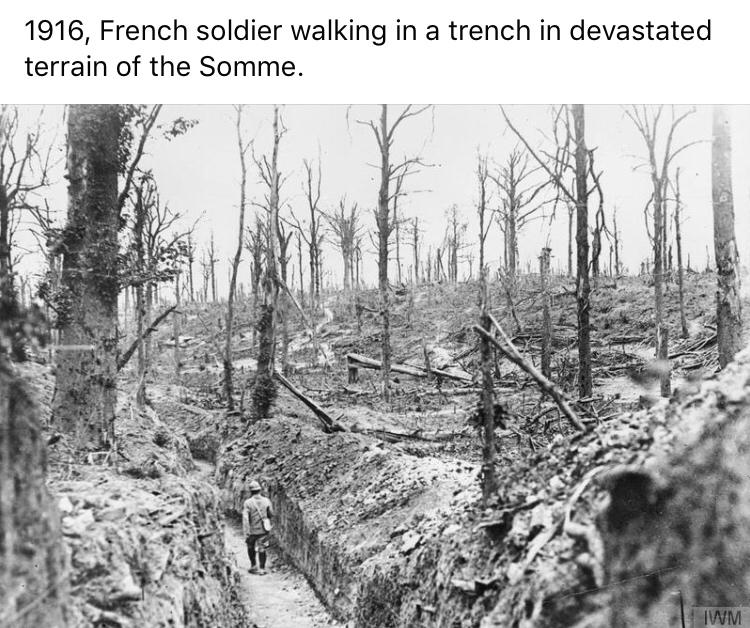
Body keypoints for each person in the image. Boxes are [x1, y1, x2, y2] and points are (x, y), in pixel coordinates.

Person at [242, 480, 273, 575]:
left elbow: (245, 519)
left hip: (252, 531)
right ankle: (262, 569)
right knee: (262, 548)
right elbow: (271, 514)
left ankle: (254, 565)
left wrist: (246, 532)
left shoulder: (247, 503)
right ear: (260, 490)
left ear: (251, 491)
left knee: (250, 547)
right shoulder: (267, 501)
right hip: (264, 531)